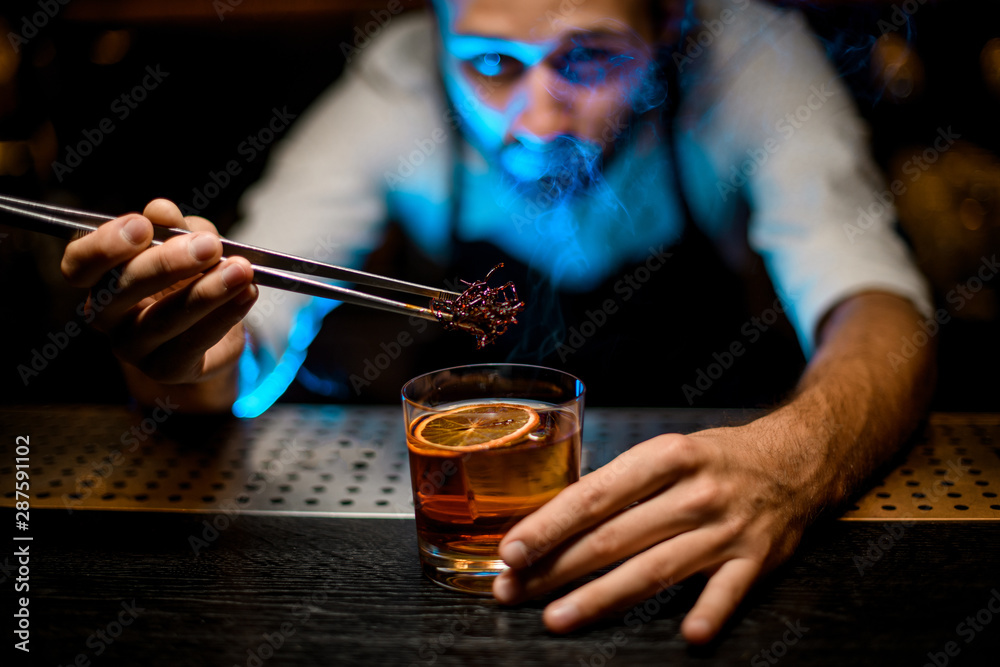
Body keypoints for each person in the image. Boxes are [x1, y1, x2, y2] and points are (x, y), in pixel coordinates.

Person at [59, 0, 935, 645]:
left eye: (590, 58)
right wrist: (188, 353)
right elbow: (249, 340)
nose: (541, 120)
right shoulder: (396, 93)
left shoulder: (750, 67)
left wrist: (796, 461)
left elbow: (883, 309)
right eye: (489, 66)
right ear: (439, 38)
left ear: (670, 33)